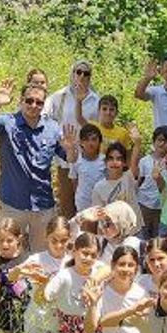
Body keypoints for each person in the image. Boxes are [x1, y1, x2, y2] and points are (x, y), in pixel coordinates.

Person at [0, 78, 78, 251]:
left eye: (39, 102)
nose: (34, 105)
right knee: (8, 250)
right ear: (21, 101)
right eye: (29, 100)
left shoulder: (52, 128)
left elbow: (70, 159)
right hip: (13, 201)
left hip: (43, 203)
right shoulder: (7, 123)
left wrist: (71, 149)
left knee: (41, 252)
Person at [22, 217, 72, 333]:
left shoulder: (72, 261)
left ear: (70, 239)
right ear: (46, 237)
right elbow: (13, 278)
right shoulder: (36, 259)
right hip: (37, 318)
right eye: (54, 240)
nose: (59, 245)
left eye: (64, 241)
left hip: (61, 322)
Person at [46, 60, 101, 218]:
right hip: (65, 156)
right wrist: (58, 139)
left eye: (86, 73)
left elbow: (100, 128)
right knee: (66, 200)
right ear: (72, 73)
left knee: (86, 201)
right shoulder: (60, 96)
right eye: (78, 72)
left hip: (88, 158)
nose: (82, 76)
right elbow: (45, 116)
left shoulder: (96, 100)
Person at [136, 126, 167, 238]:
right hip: (143, 204)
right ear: (153, 142)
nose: (163, 144)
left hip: (162, 208)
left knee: (158, 238)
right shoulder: (144, 161)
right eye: (160, 140)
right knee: (142, 237)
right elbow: (139, 181)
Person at [69, 124, 106, 213]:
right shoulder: (76, 160)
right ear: (81, 142)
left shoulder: (105, 160)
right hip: (82, 204)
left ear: (99, 141)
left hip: (101, 204)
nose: (90, 143)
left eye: (94, 139)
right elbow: (74, 181)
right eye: (86, 140)